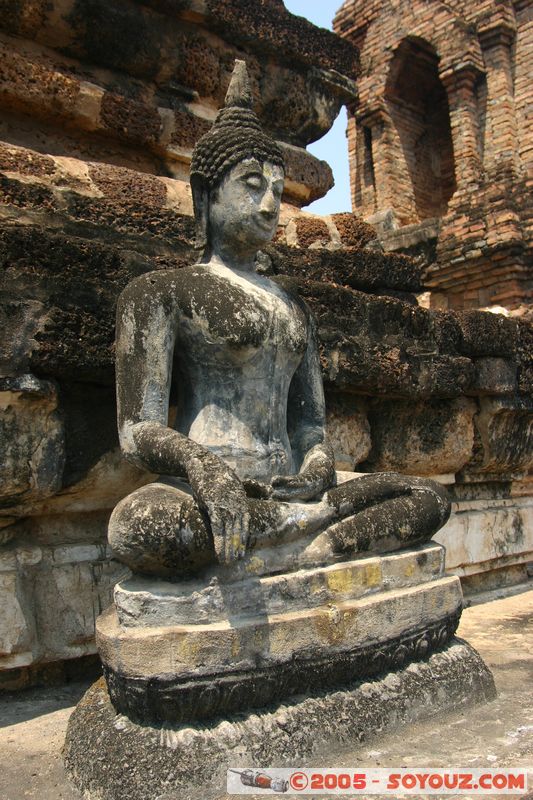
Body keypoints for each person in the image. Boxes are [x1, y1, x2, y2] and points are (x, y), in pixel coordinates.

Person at [108, 61, 450, 578]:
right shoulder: (161, 292)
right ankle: (311, 541)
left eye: (277, 187)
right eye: (251, 185)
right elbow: (137, 429)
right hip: (206, 492)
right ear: (204, 196)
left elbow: (310, 425)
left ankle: (291, 546)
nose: (270, 205)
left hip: (290, 489)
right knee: (143, 527)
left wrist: (315, 466)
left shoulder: (296, 310)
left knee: (426, 497)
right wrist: (205, 468)